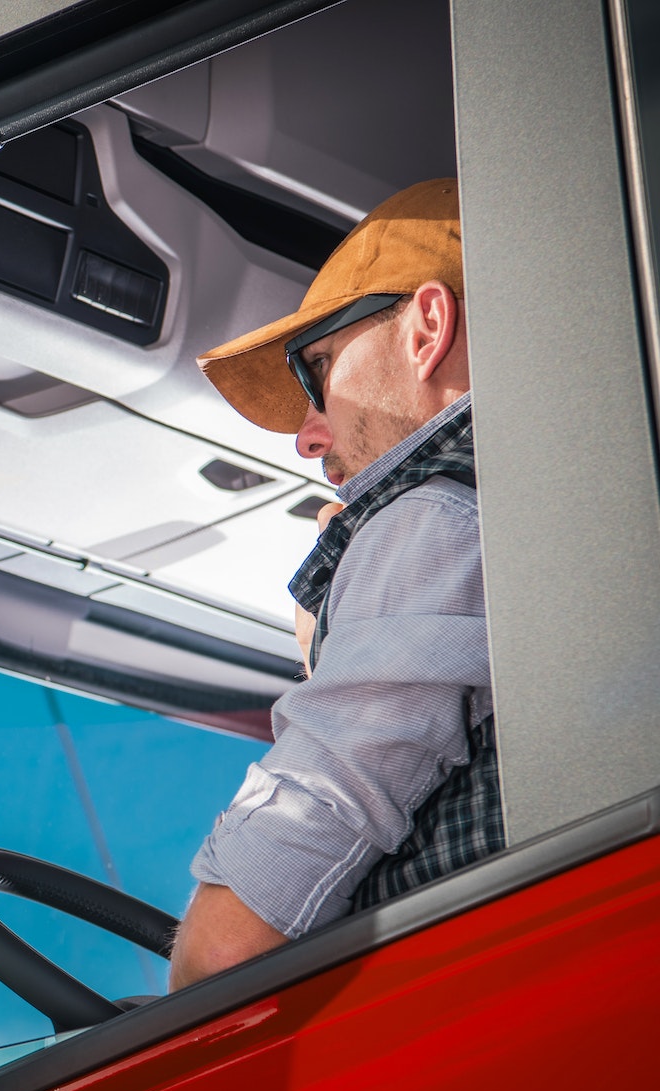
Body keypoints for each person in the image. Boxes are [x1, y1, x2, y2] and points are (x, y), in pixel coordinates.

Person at [168, 178, 502, 990]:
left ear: (427, 327)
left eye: (316, 369)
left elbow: (228, 951)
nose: (308, 439)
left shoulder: (434, 511)